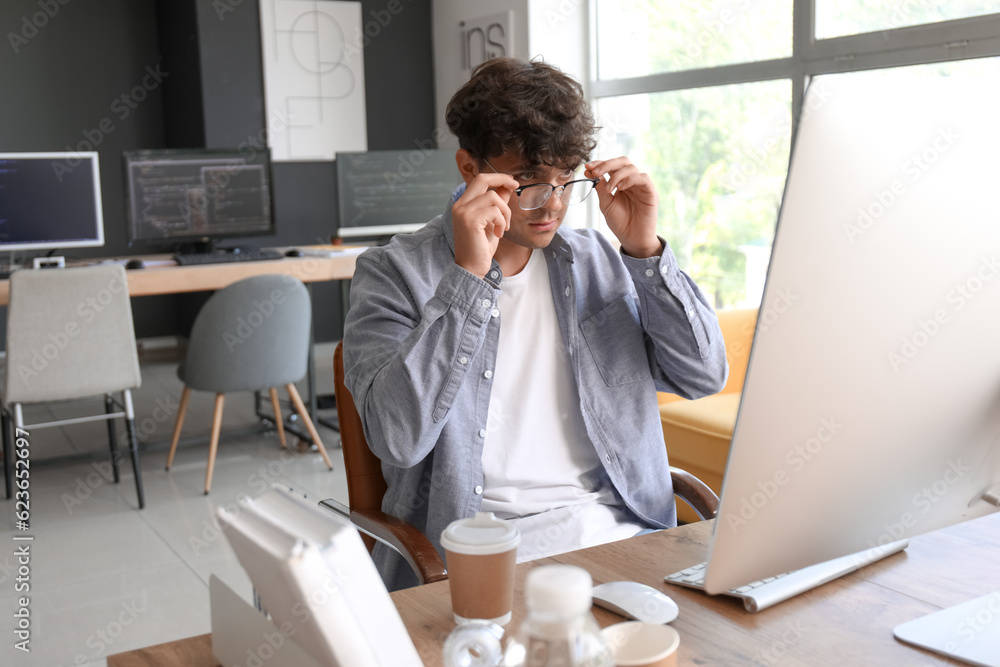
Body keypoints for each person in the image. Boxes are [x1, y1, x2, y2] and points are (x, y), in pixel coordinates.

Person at [343, 57, 728, 590]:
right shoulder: (392, 273)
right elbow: (398, 438)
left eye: (565, 179)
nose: (552, 204)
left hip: (620, 536)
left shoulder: (602, 259)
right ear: (468, 168)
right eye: (526, 181)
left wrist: (644, 252)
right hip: (480, 552)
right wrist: (470, 277)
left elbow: (704, 375)